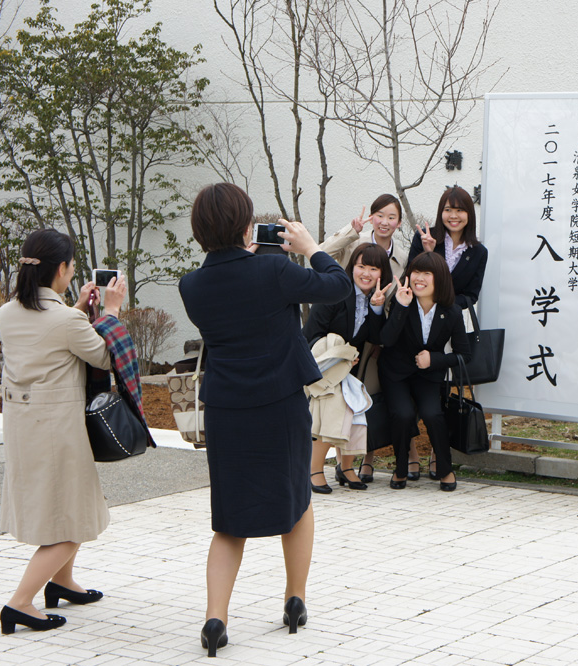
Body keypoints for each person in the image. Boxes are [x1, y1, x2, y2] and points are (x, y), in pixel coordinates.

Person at [178, 183, 351, 656]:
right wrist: (311, 247)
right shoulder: (275, 269)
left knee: (229, 520)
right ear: (246, 224)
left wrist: (251, 256)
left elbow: (233, 307)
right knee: (295, 501)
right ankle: (295, 601)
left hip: (228, 411)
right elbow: (338, 286)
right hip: (279, 404)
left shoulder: (191, 285)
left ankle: (216, 620)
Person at [0, 229, 128, 634]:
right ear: (62, 269)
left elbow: (48, 336)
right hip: (57, 431)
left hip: (23, 427)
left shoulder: (8, 312)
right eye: (70, 268)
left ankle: (62, 581)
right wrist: (111, 312)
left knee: (62, 505)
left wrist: (75, 308)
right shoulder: (67, 321)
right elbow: (106, 357)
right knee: (71, 521)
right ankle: (20, 602)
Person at [319, 194, 412, 482]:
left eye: (391, 217)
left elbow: (396, 303)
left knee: (366, 399)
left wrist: (384, 340)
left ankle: (359, 460)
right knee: (334, 400)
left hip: (374, 338)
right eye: (379, 215)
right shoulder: (355, 247)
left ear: (399, 222)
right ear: (371, 216)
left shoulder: (403, 258)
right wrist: (351, 231)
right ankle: (330, 464)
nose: (385, 222)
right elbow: (320, 255)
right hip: (341, 338)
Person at [408, 186, 487, 479]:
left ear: (469, 215)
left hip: (451, 325)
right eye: (448, 210)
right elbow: (412, 275)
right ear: (441, 212)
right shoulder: (426, 239)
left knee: (444, 386)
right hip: (421, 324)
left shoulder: (478, 252)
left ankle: (437, 454)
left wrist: (449, 304)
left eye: (460, 210)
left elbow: (472, 294)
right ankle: (411, 452)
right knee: (415, 386)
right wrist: (429, 252)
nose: (453, 216)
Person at [302, 243, 392, 493]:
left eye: (373, 268)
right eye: (361, 266)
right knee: (335, 408)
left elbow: (375, 337)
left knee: (357, 408)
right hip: (319, 368)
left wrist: (376, 307)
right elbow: (310, 335)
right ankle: (314, 469)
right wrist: (338, 356)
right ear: (352, 267)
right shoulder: (335, 293)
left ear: (381, 274)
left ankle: (346, 466)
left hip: (347, 372)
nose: (366, 273)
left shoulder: (374, 300)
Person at [379, 252, 470, 492]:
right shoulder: (402, 302)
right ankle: (400, 468)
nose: (419, 278)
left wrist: (435, 359)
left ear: (439, 278)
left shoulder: (451, 312)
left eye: (426, 273)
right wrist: (401, 306)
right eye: (415, 272)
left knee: (433, 414)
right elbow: (386, 340)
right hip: (395, 372)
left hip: (428, 375)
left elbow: (464, 355)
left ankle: (445, 469)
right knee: (403, 414)